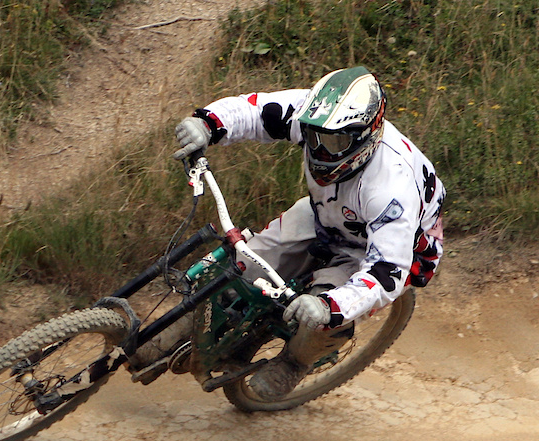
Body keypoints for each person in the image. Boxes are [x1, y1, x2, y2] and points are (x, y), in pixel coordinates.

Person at [133, 66, 445, 400]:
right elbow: (256, 111)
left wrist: (330, 306)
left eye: (334, 142)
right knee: (242, 265)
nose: (319, 150)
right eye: (313, 136)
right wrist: (207, 123)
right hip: (326, 215)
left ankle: (296, 362)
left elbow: (386, 272)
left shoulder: (392, 188)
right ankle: (177, 330)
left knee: (323, 312)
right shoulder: (318, 115)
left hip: (385, 250)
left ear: (366, 135)